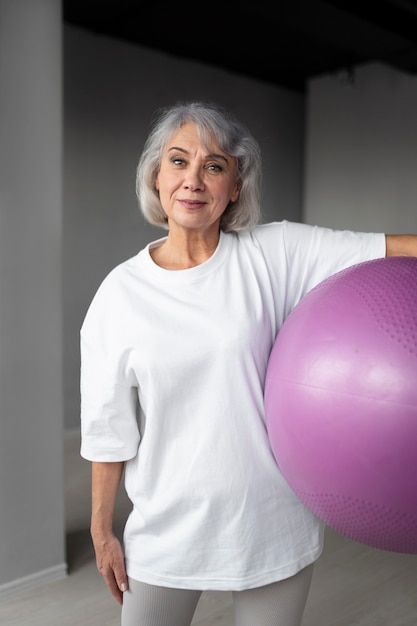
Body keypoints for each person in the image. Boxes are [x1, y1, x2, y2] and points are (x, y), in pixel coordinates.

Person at [80, 101, 417, 626]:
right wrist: (103, 531)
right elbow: (108, 430)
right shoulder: (119, 295)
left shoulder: (274, 254)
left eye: (214, 166)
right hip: (168, 533)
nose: (193, 179)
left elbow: (394, 248)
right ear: (156, 175)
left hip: (272, 526)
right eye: (178, 161)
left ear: (234, 187)